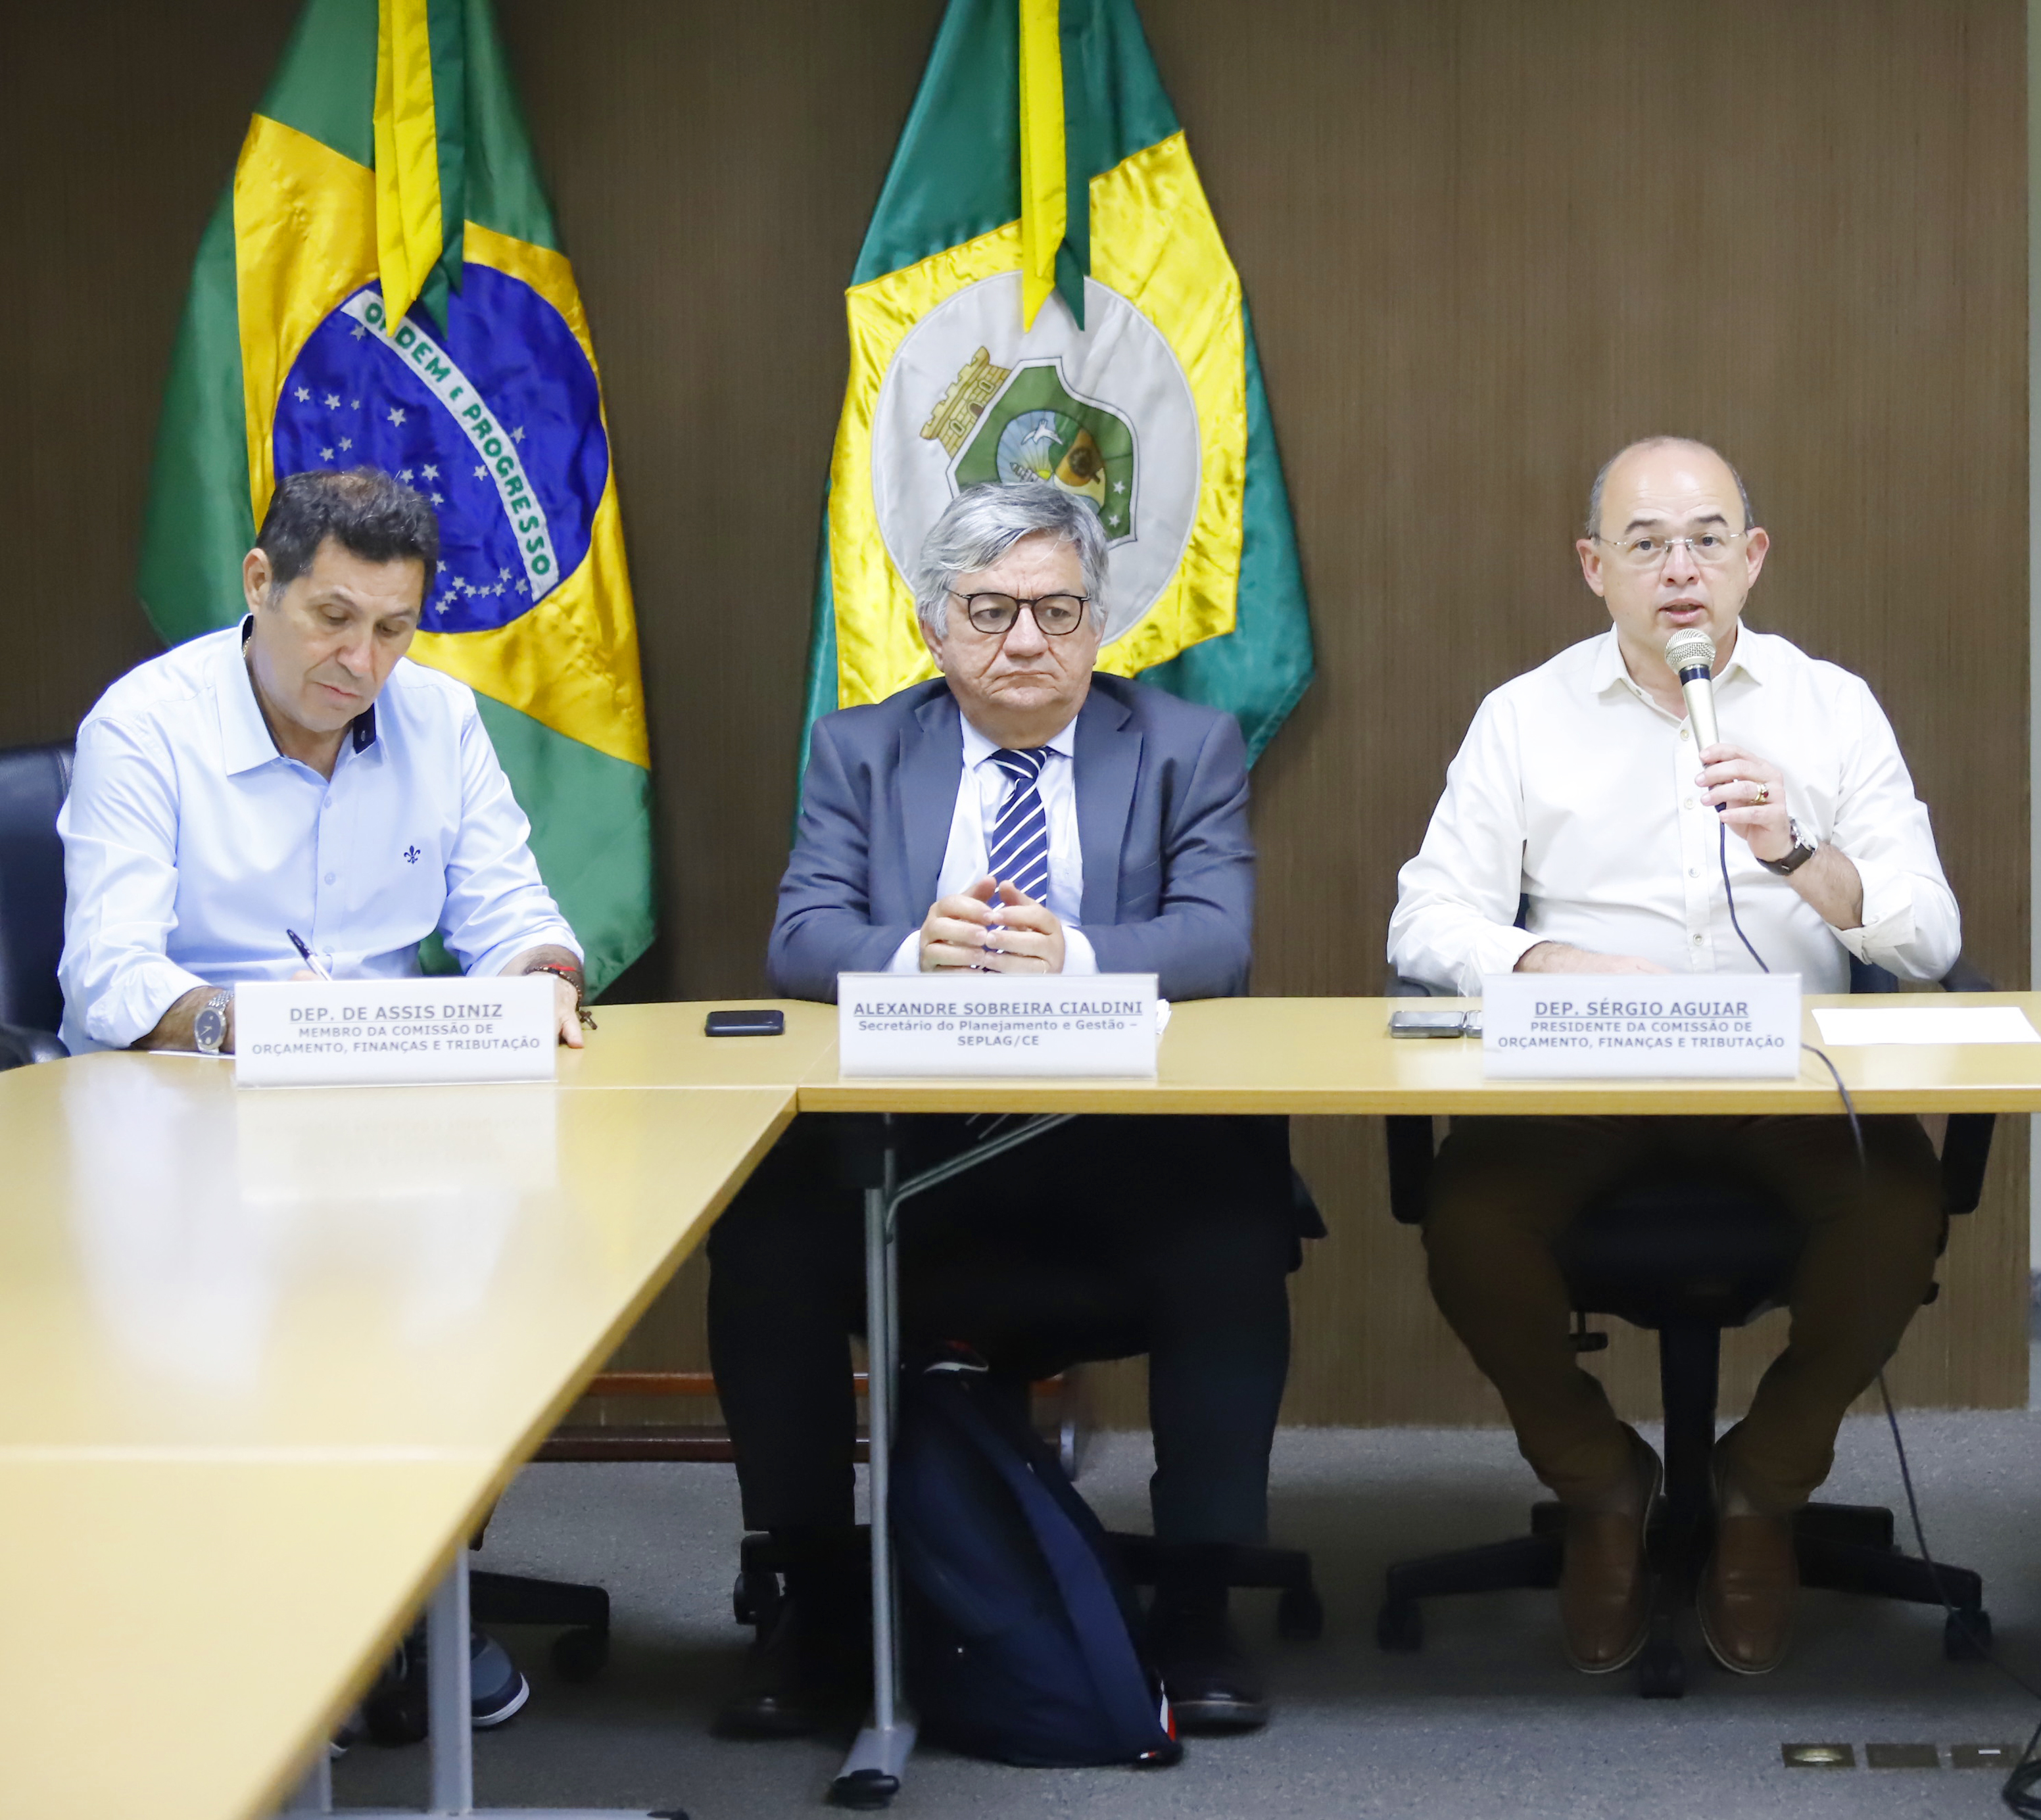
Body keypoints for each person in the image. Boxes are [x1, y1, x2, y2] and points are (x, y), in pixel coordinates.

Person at [706, 481, 1305, 1740]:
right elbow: (800, 939)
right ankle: (813, 1600)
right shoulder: (862, 750)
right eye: (989, 611)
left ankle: (1199, 1599)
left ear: (1100, 626)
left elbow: (1219, 940)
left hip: (1119, 1155)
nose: (1024, 641)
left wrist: (1074, 960)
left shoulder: (1185, 746)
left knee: (1235, 1222)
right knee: (765, 1236)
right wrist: (915, 955)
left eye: (1055, 610)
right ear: (934, 630)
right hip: (908, 1158)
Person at [1388, 435, 1963, 1677]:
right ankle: (1602, 1484)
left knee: (1898, 1209)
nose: (1680, 570)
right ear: (1595, 570)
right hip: (1585, 1074)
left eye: (1708, 539)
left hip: (1785, 1080)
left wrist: (1800, 852)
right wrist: (1549, 964)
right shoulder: (1525, 716)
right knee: (1470, 1222)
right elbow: (1425, 920)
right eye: (1645, 545)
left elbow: (1930, 938)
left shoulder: (1832, 707)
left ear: (1754, 560)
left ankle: (1763, 1482)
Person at [56, 465, 589, 1727]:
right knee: (236, 1318)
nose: (361, 661)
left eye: (394, 630)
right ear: (261, 585)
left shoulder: (443, 721)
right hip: (198, 1103)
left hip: (404, 1107)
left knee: (501, 1277)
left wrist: (546, 975)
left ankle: (414, 1596)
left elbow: (516, 914)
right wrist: (254, 1025)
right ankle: (269, 1611)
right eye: (332, 619)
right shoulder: (147, 724)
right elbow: (108, 972)